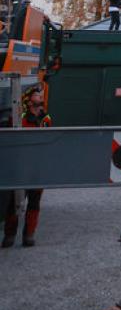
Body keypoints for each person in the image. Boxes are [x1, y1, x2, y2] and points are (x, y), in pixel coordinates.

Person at [2, 86, 51, 248]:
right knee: (15, 202)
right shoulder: (19, 117)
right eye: (37, 95)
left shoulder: (46, 118)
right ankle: (9, 235)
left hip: (38, 167)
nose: (40, 98)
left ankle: (29, 234)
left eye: (41, 95)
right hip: (20, 166)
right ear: (29, 100)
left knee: (35, 202)